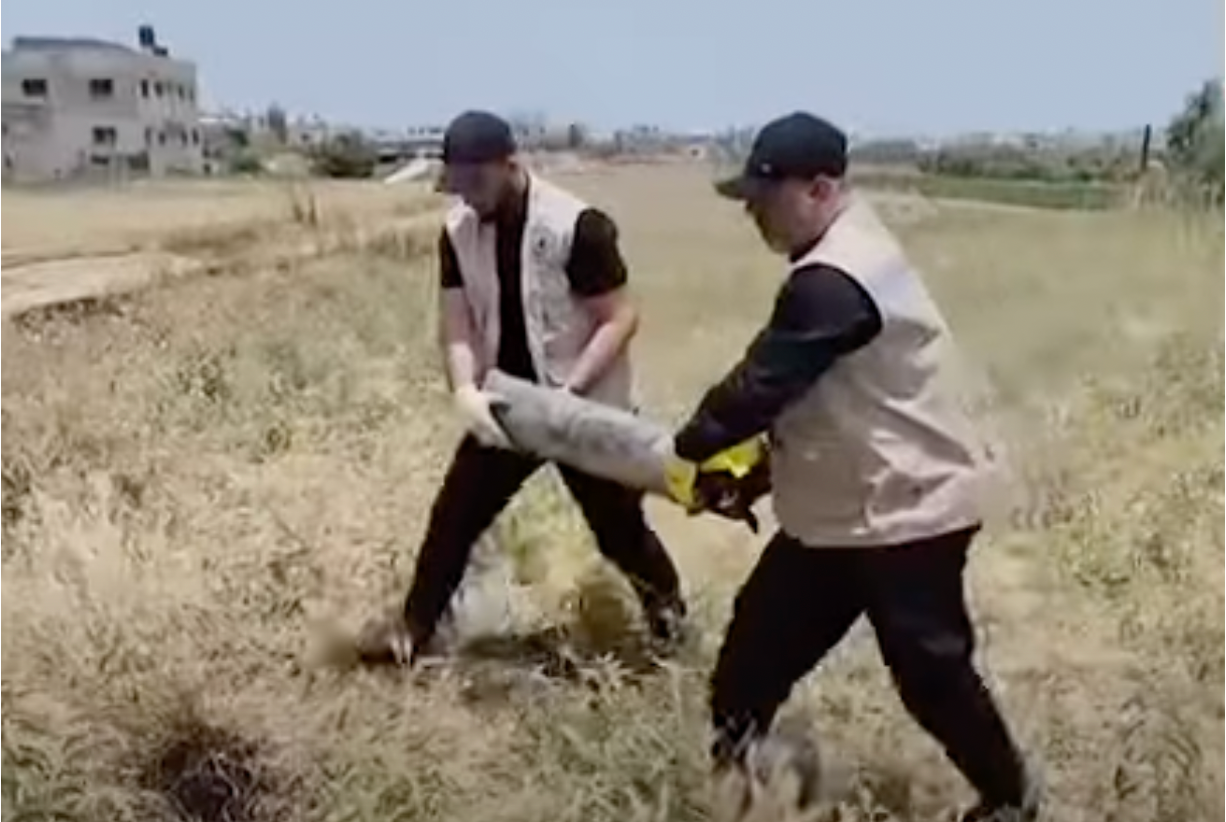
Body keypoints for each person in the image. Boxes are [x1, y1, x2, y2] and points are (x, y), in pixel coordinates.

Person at [662, 112, 1041, 821]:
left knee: (931, 674)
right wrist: (751, 476)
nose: (753, 214)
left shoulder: (836, 278)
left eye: (762, 198)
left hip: (909, 511)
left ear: (820, 188)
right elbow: (825, 404)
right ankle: (749, 793)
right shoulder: (841, 259)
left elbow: (757, 389)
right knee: (750, 663)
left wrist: (679, 450)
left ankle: (1011, 801)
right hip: (839, 517)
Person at [358, 110, 688, 665]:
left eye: (477, 182)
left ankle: (669, 623)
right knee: (454, 517)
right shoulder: (457, 230)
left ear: (511, 165)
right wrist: (466, 389)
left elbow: (619, 318)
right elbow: (457, 322)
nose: (468, 197)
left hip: (582, 406)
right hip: (508, 404)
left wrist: (570, 389)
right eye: (458, 185)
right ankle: (414, 632)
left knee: (618, 530)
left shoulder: (576, 226)